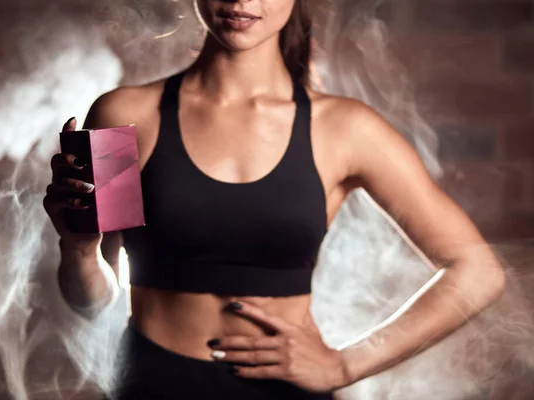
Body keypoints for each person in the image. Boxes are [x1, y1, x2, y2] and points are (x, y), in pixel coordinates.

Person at [43, 0, 506, 398]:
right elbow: (92, 302)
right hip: (147, 385)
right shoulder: (124, 114)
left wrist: (344, 365)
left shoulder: (345, 128)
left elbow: (477, 270)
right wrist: (79, 248)